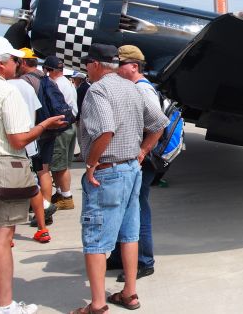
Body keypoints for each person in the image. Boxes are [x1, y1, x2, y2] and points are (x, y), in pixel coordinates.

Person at [70, 44, 168, 314]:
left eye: (88, 63)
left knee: (95, 239)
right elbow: (159, 123)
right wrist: (144, 150)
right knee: (129, 234)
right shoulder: (132, 87)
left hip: (108, 172)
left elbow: (105, 130)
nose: (86, 68)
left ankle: (98, 305)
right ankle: (129, 293)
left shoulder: (98, 90)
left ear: (97, 65)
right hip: (131, 170)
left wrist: (91, 163)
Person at [0, 37, 66, 314]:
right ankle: (5, 305)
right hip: (3, 167)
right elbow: (18, 139)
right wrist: (45, 125)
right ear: (2, 65)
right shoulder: (7, 91)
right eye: (14, 59)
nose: (19, 64)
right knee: (2, 236)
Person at [107, 45, 166, 282]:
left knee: (138, 210)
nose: (115, 68)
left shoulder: (143, 90)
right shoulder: (134, 88)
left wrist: (142, 150)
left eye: (119, 64)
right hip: (136, 156)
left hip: (143, 159)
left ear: (133, 66)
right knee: (126, 208)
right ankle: (123, 255)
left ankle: (143, 261)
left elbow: (158, 124)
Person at [8, 72, 53, 243]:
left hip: (10, 145)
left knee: (5, 190)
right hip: (30, 143)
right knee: (33, 185)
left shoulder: (3, 87)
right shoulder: (26, 86)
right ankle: (42, 229)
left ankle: (8, 234)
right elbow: (34, 114)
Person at [17, 48, 58, 227]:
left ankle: (42, 206)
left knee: (31, 175)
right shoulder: (46, 79)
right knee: (43, 171)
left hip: (29, 134)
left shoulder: (23, 82)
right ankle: (45, 205)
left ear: (23, 63)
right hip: (45, 129)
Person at [43, 56, 78, 210]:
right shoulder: (67, 83)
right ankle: (61, 193)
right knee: (63, 164)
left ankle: (66, 196)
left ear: (48, 70)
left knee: (59, 165)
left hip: (61, 128)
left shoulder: (54, 84)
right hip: (70, 125)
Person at [71, 71, 90, 162]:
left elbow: (78, 104)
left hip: (83, 115)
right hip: (88, 115)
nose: (74, 80)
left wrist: (77, 118)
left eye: (75, 79)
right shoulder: (88, 86)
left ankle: (82, 155)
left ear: (80, 79)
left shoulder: (81, 89)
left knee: (81, 136)